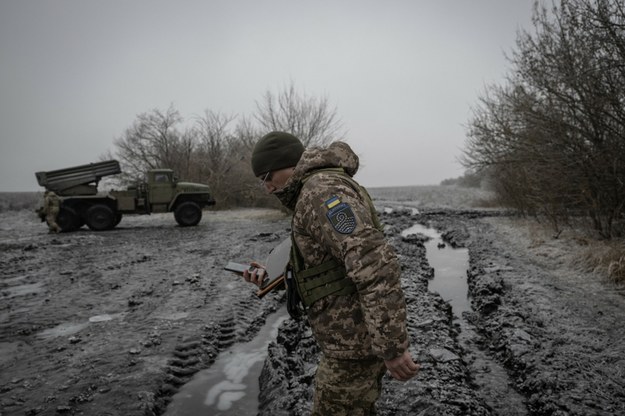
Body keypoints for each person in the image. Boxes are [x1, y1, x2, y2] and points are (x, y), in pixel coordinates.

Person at [243, 131, 419, 415]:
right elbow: (328, 266)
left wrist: (392, 347)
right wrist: (274, 277)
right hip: (348, 343)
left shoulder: (321, 192)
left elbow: (375, 264)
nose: (267, 188)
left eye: (267, 178)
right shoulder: (313, 191)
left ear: (288, 166)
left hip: (354, 348)